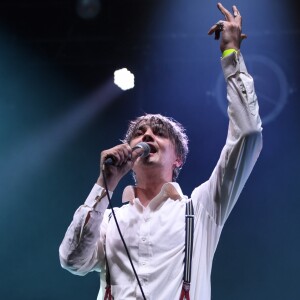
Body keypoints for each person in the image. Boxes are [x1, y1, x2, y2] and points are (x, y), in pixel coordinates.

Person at [59, 3, 263, 300]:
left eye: (159, 133)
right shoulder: (109, 220)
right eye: (139, 133)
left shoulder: (201, 208)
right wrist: (105, 183)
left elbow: (249, 133)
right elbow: (72, 259)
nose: (148, 135)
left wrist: (231, 55)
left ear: (178, 158)